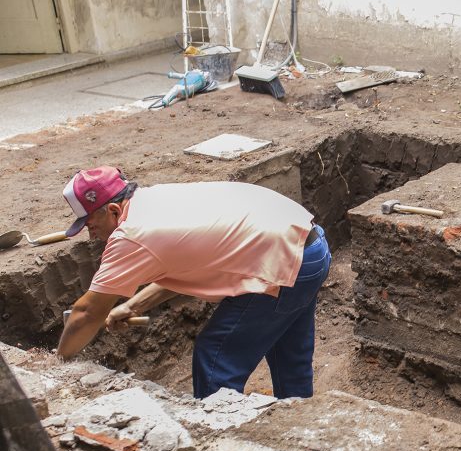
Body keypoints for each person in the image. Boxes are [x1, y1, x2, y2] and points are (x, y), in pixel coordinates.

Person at [57, 167, 331, 399]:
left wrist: (57, 361)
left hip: (283, 260)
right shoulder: (154, 200)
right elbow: (192, 264)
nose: (91, 236)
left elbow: (87, 313)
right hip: (308, 244)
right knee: (288, 355)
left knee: (215, 357)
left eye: (91, 226)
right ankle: (300, 421)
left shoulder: (130, 236)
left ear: (114, 210)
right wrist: (133, 306)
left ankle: (221, 441)